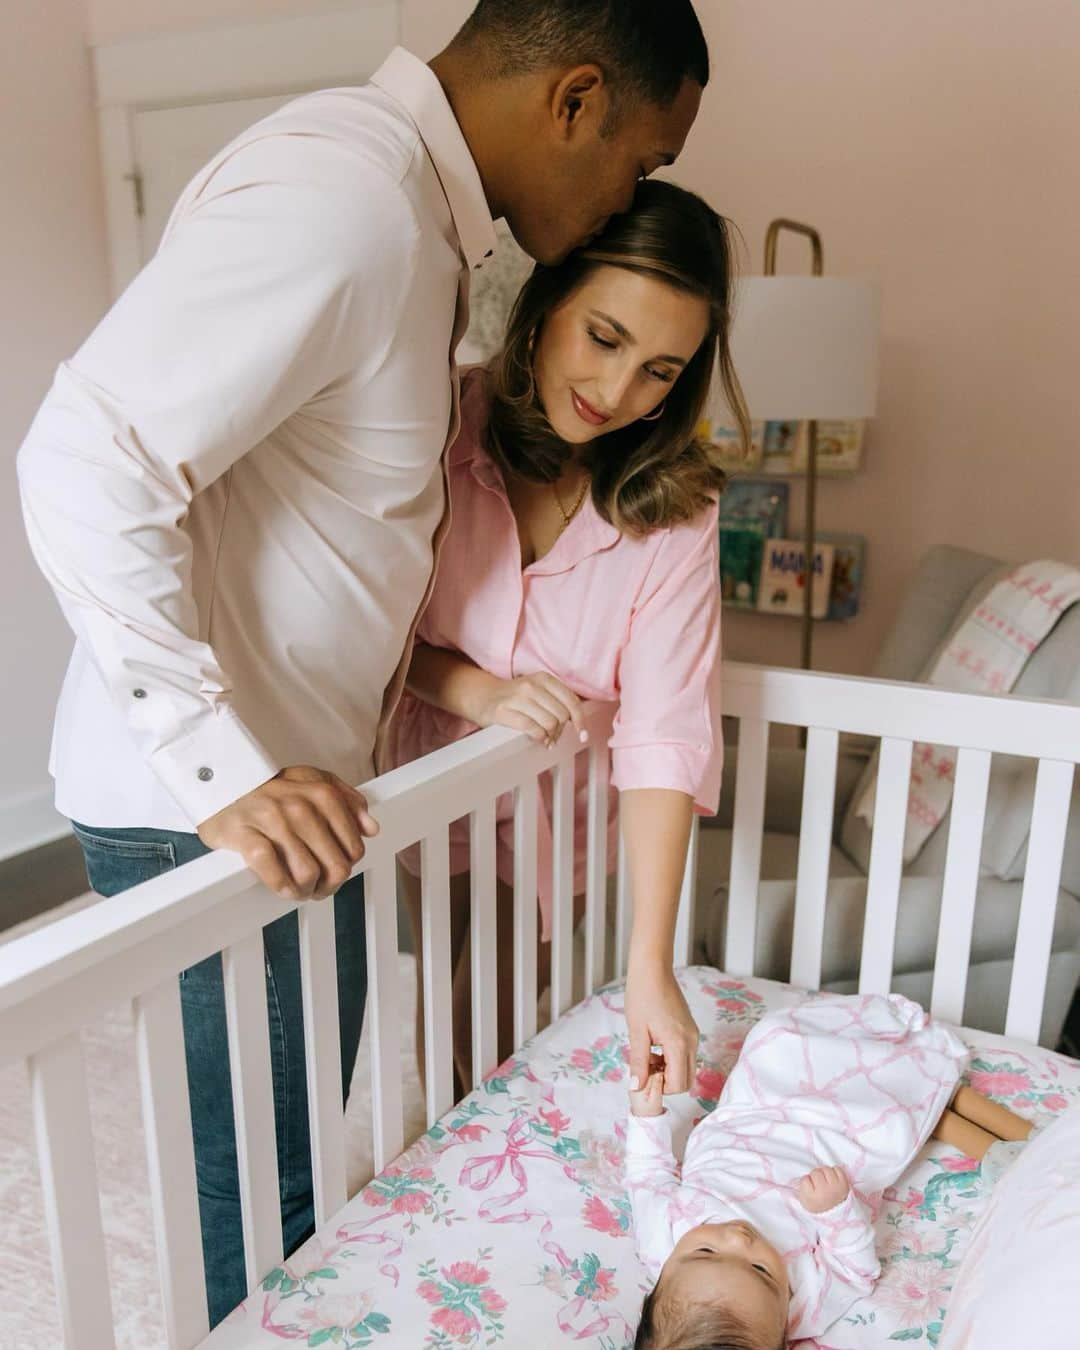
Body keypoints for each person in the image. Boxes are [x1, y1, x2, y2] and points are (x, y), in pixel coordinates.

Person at [15, 0, 710, 1327]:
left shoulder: (400, 217)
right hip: (217, 808)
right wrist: (217, 763)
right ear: (575, 102)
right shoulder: (353, 201)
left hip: (299, 788)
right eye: (646, 156)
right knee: (267, 1208)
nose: (637, 189)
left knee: (289, 1176)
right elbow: (81, 454)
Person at [387, 177, 749, 1098]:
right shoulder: (431, 427)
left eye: (660, 371)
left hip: (564, 822)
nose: (617, 392)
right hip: (420, 793)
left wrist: (652, 959)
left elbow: (666, 727)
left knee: (497, 1030)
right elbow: (366, 627)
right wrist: (473, 691)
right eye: (604, 337)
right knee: (428, 1010)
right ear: (546, 305)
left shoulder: (676, 509)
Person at [624, 991, 1034, 1348]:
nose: (739, 1237)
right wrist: (835, 1211)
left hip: (755, 1111)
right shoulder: (808, 1302)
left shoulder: (660, 1236)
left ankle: (894, 1045)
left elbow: (647, 1173)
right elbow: (856, 1271)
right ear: (786, 1326)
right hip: (832, 1145)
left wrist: (646, 1113)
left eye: (706, 1250)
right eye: (760, 1269)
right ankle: (1017, 1138)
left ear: (658, 1282)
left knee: (774, 1038)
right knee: (890, 1123)